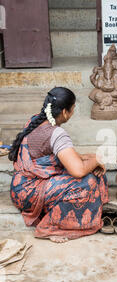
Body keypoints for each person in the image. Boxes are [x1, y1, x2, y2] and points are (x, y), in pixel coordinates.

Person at [8, 87, 109, 242]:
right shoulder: (56, 133)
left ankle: (57, 215)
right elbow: (77, 171)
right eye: (73, 109)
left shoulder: (36, 120)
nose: (73, 113)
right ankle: (49, 227)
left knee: (96, 174)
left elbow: (52, 158)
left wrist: (85, 158)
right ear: (64, 112)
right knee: (87, 181)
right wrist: (97, 159)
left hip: (20, 187)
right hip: (28, 192)